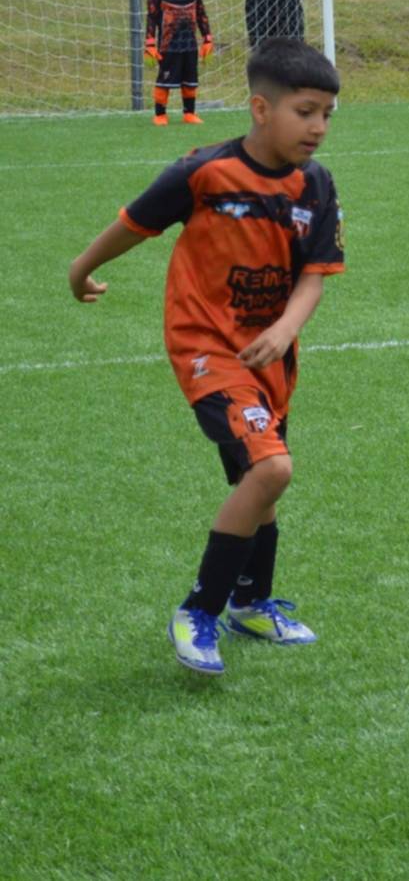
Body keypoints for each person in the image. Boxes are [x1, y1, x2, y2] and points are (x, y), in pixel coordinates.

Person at [67, 38, 344, 676]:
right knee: (273, 468)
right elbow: (135, 222)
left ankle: (252, 602)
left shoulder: (316, 184)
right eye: (305, 111)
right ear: (259, 108)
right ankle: (200, 609)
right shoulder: (205, 172)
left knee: (257, 480)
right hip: (206, 347)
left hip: (269, 357)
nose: (319, 127)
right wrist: (81, 269)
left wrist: (283, 329)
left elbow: (314, 277)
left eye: (327, 114)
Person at [144, 0, 213, 127]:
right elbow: (151, 19)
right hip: (168, 47)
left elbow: (201, 16)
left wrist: (207, 39)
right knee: (164, 81)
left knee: (190, 81)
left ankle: (189, 113)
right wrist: (150, 43)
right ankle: (160, 114)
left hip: (190, 46)